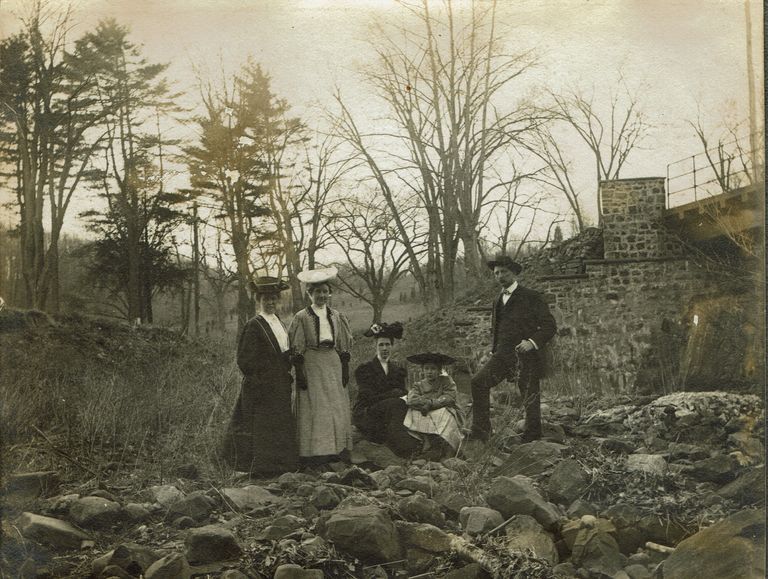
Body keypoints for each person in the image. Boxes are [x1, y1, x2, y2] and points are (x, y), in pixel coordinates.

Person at [469, 255, 557, 443]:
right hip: (502, 355)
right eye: (497, 273)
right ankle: (481, 432)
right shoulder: (497, 299)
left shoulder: (532, 297)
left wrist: (531, 342)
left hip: (527, 356)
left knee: (530, 395)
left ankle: (532, 438)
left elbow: (550, 326)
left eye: (504, 272)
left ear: (514, 274)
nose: (500, 276)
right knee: (478, 382)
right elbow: (497, 328)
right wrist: (494, 349)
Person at [222, 276, 298, 475]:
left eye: (273, 298)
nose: (271, 302)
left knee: (279, 423)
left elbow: (282, 350)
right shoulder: (254, 325)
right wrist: (264, 377)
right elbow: (244, 360)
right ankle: (264, 468)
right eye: (266, 299)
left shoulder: (278, 322)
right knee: (263, 426)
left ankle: (281, 466)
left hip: (280, 382)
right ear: (259, 300)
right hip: (262, 385)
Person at [288, 267, 354, 466]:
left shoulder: (336, 315)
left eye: (325, 292)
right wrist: (300, 372)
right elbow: (297, 347)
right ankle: (315, 453)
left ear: (329, 293)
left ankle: (336, 449)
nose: (322, 296)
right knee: (316, 407)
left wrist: (344, 367)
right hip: (312, 363)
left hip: (332, 363)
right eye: (318, 292)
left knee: (335, 405)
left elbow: (343, 344)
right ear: (310, 294)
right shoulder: (302, 317)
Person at [352, 322, 421, 457]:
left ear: (392, 346)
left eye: (387, 345)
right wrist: (392, 395)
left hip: (390, 414)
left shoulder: (397, 370)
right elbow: (367, 397)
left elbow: (402, 392)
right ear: (375, 346)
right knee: (397, 403)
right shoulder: (365, 369)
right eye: (381, 345)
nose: (384, 348)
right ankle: (401, 446)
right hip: (368, 413)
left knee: (406, 403)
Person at [404, 352, 464, 457]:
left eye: (433, 369)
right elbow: (412, 399)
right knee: (412, 412)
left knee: (444, 414)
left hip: (444, 409)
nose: (429, 372)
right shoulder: (418, 385)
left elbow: (449, 397)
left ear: (439, 370)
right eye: (426, 368)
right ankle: (427, 444)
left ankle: (447, 447)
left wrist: (432, 403)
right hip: (425, 410)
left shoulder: (447, 381)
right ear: (422, 370)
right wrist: (425, 403)